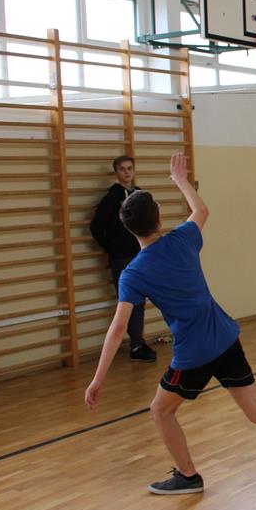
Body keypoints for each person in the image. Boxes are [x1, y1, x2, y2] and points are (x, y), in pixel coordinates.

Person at [83, 153, 256, 495]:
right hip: (226, 338)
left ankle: (188, 476)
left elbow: (118, 328)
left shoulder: (133, 273)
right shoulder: (183, 239)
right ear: (160, 219)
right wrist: (181, 181)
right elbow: (201, 210)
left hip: (193, 355)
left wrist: (98, 380)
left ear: (128, 228)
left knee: (160, 411)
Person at [90, 155, 156, 362]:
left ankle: (138, 343)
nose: (127, 172)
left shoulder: (141, 195)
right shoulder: (111, 198)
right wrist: (113, 248)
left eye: (129, 168)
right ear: (116, 172)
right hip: (122, 259)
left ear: (134, 171)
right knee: (128, 300)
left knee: (141, 299)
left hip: (141, 256)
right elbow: (95, 227)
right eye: (122, 169)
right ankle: (136, 344)